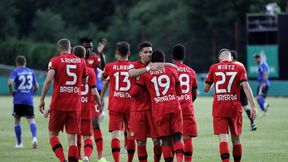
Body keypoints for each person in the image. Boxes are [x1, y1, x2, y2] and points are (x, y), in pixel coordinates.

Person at [130, 50, 184, 162]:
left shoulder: (145, 74)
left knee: (165, 140)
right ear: (163, 60)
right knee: (178, 136)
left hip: (159, 109)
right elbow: (179, 92)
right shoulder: (172, 70)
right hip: (174, 106)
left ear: (152, 61)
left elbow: (134, 93)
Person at [204, 49, 257, 162]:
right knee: (236, 139)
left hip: (219, 108)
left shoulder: (214, 67)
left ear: (219, 58)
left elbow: (206, 89)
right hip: (234, 107)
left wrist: (215, 80)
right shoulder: (240, 67)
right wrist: (253, 106)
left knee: (223, 139)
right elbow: (246, 87)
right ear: (231, 58)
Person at [39, 38, 87, 162]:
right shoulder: (81, 61)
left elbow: (49, 80)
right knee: (73, 140)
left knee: (53, 135)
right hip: (74, 105)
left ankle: (62, 160)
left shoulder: (55, 60)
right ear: (70, 48)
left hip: (58, 104)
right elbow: (84, 82)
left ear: (59, 49)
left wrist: (42, 99)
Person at [128, 41, 162, 162]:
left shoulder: (156, 64)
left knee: (157, 141)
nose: (148, 54)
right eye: (146, 52)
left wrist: (172, 65)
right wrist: (147, 69)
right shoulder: (133, 65)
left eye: (150, 52)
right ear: (140, 54)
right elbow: (131, 74)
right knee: (141, 141)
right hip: (137, 110)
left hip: (154, 110)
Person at [102, 41, 136, 162]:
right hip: (131, 105)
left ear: (117, 53)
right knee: (131, 134)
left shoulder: (110, 66)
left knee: (115, 135)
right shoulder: (134, 66)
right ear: (129, 53)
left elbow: (103, 77)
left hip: (115, 105)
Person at [72, 46, 107, 162]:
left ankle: (84, 157)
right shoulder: (90, 70)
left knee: (76, 133)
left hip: (74, 106)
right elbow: (94, 91)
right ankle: (91, 156)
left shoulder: (71, 70)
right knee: (91, 131)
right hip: (89, 104)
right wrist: (100, 104)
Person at [172, 44, 198, 162]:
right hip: (187, 107)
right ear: (184, 56)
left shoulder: (170, 69)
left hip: (172, 107)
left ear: (172, 57)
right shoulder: (191, 71)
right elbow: (194, 93)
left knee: (174, 138)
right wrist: (187, 100)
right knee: (187, 139)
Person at [8, 55, 39, 149]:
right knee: (31, 120)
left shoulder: (15, 71)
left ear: (16, 63)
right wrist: (31, 93)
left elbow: (10, 83)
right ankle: (34, 138)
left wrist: (11, 91)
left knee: (17, 120)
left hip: (18, 99)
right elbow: (36, 86)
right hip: (28, 100)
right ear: (25, 63)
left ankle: (19, 143)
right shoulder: (31, 72)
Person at [230, 50, 257, 131]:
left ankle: (232, 126)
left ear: (231, 57)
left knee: (231, 107)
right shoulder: (241, 64)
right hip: (243, 87)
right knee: (245, 107)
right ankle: (253, 123)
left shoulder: (230, 65)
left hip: (235, 89)